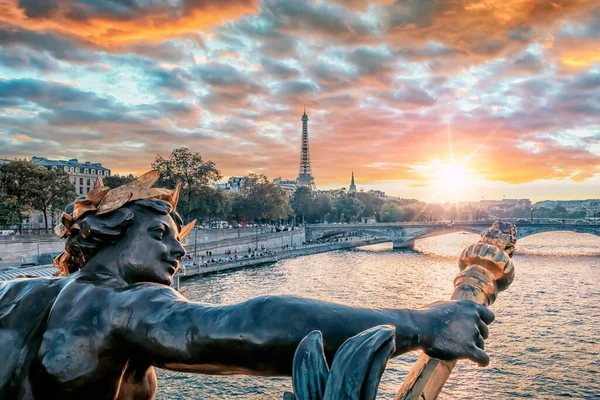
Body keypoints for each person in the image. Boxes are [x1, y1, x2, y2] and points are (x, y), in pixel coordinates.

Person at [0, 171, 494, 400]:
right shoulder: (121, 304)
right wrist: (424, 324)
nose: (178, 251)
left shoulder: (17, 292)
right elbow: (247, 327)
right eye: (159, 234)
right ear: (110, 234)